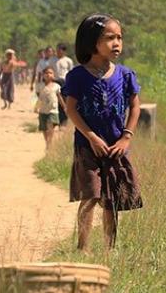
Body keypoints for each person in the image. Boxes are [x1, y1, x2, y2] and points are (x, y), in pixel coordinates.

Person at [63, 14, 143, 250]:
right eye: (109, 38)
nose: (117, 43)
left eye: (119, 37)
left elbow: (135, 106)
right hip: (88, 146)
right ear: (92, 43)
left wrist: (126, 136)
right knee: (91, 196)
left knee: (112, 200)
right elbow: (71, 109)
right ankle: (83, 248)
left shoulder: (126, 75)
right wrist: (91, 136)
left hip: (116, 146)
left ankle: (110, 249)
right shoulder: (77, 76)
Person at [36, 66, 64, 151]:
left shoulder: (56, 86)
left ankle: (50, 143)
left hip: (53, 110)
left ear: (53, 75)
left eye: (50, 73)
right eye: (46, 73)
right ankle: (47, 143)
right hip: (42, 111)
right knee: (44, 129)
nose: (48, 75)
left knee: (50, 127)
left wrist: (64, 106)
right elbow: (38, 98)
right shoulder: (40, 86)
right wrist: (36, 107)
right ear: (43, 75)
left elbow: (59, 97)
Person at [54, 43, 75, 126]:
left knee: (64, 101)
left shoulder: (68, 61)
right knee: (55, 101)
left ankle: (64, 120)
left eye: (59, 50)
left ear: (63, 51)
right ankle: (56, 120)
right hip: (55, 81)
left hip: (64, 82)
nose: (58, 52)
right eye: (57, 50)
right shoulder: (53, 60)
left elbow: (71, 72)